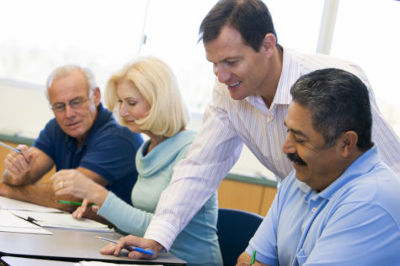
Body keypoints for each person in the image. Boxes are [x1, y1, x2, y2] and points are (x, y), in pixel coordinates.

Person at [109, 0, 400, 258]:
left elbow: (383, 170)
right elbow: (200, 167)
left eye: (231, 62)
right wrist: (156, 238)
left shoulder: (333, 83)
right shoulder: (228, 92)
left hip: (355, 220)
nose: (222, 76)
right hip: (296, 207)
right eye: (214, 64)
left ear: (268, 45)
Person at [50, 57, 222, 265]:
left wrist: (98, 194)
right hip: (151, 259)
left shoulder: (193, 151)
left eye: (131, 103)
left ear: (159, 102)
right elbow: (142, 223)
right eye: (121, 102)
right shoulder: (148, 149)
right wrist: (100, 212)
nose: (122, 112)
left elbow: (162, 227)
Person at [236, 68, 400, 265]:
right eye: (288, 131)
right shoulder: (301, 178)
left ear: (346, 143)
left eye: (300, 139)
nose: (286, 147)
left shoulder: (372, 201)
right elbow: (251, 260)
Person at [1, 65, 143, 210]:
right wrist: (16, 170)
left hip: (116, 231)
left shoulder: (120, 135)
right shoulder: (57, 127)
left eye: (76, 102)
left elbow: (68, 197)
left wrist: (7, 190)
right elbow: (20, 176)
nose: (69, 114)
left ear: (96, 96)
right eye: (59, 106)